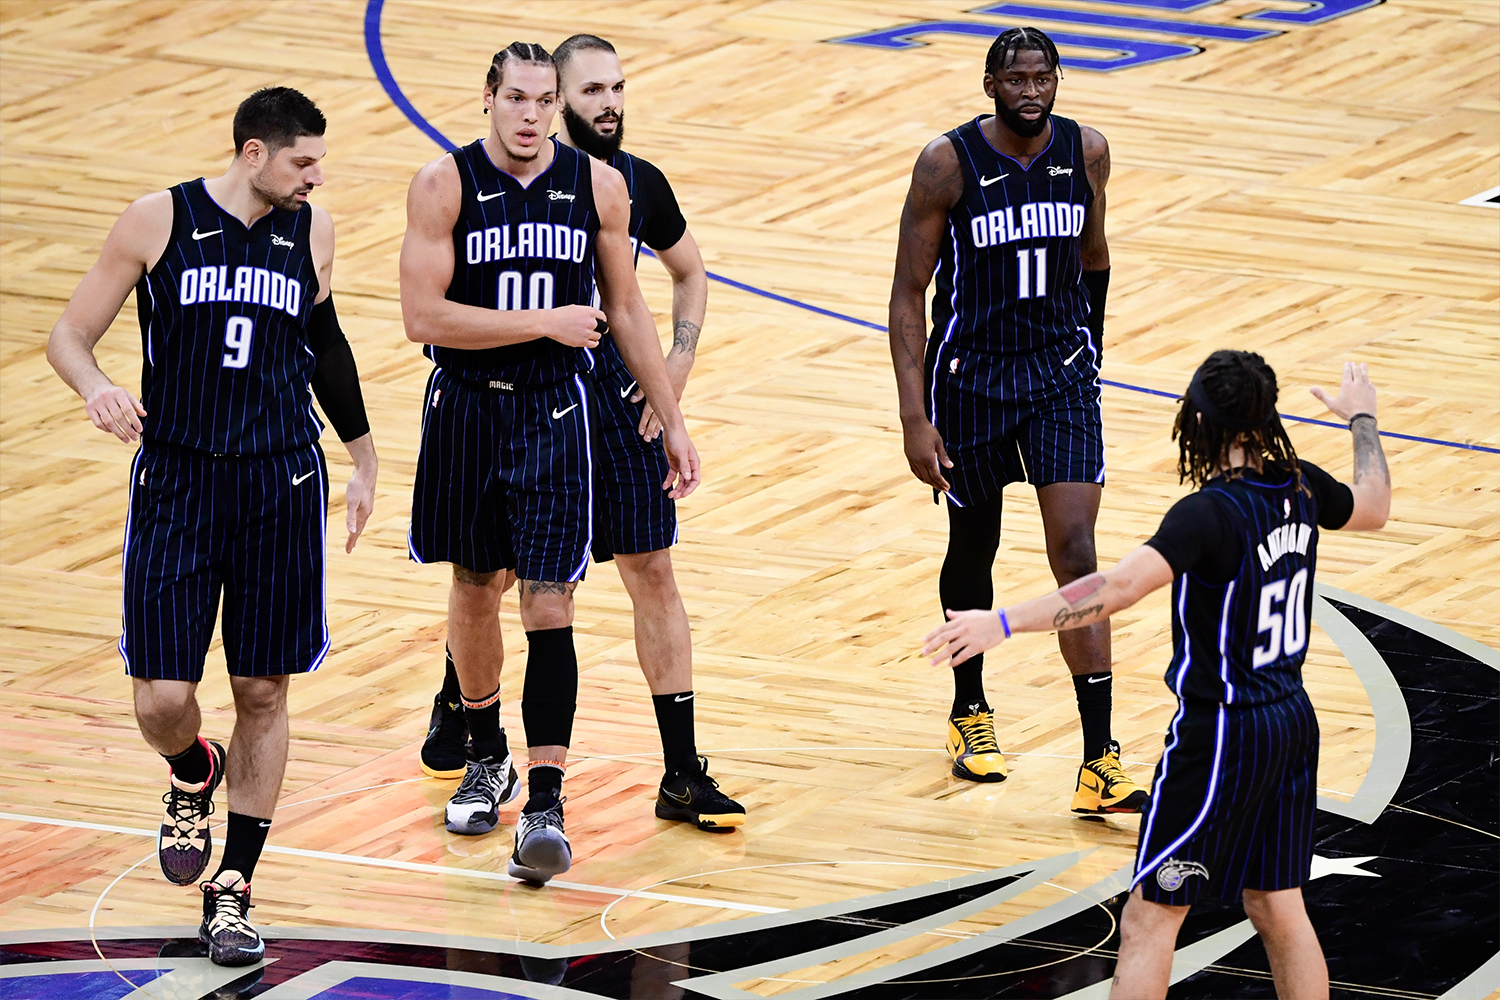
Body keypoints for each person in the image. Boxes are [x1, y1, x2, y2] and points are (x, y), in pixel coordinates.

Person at [924, 353, 1392, 999]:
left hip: (1221, 734)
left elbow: (1113, 589)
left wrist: (1001, 623)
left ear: (1197, 422)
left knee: (1151, 916)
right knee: (1278, 906)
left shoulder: (1209, 514)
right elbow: (1374, 505)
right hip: (1291, 720)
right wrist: (1362, 416)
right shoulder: (1302, 485)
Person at [45, 87, 378, 966]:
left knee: (264, 691)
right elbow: (68, 335)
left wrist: (365, 457)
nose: (317, 175)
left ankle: (234, 888)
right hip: (179, 481)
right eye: (303, 160)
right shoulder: (157, 221)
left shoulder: (314, 231)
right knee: (159, 699)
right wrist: (99, 388)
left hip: (279, 481)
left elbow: (326, 345)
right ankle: (193, 768)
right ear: (253, 154)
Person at [415, 31, 743, 831]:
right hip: (502, 397)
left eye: (615, 90)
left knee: (640, 571)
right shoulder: (465, 183)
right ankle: (468, 715)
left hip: (605, 402)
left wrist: (675, 386)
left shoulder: (622, 184)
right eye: (590, 91)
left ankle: (673, 771)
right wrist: (549, 323)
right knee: (483, 578)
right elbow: (423, 312)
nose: (609, 104)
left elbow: (672, 282)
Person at [888, 26, 1147, 812]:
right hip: (970, 383)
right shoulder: (947, 163)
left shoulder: (1087, 151)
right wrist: (913, 415)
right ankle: (970, 709)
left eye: (1043, 77)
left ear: (1058, 80)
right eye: (1016, 79)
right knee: (975, 544)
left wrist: (1090, 351)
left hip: (1059, 378)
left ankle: (1100, 757)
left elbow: (1095, 257)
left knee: (1077, 552)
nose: (1031, 91)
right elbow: (908, 292)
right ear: (990, 84)